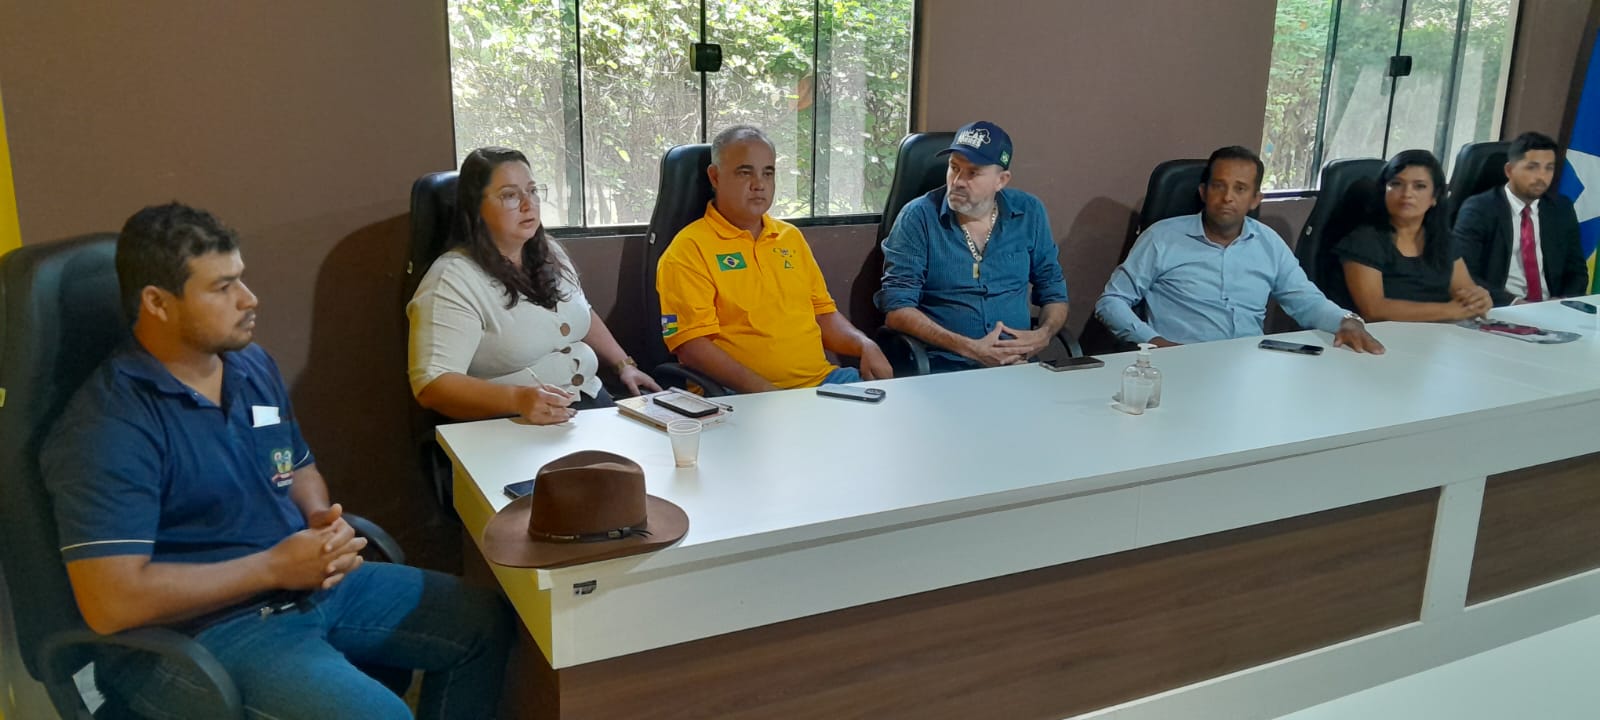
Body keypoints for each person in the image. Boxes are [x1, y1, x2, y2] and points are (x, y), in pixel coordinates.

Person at [42, 204, 512, 720]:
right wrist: (272, 567)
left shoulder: (249, 365)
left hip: (303, 584)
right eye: (223, 287)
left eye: (240, 278)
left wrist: (319, 520)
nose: (249, 298)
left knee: (483, 619)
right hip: (205, 633)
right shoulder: (109, 426)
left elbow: (297, 467)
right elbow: (111, 603)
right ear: (157, 302)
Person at [409, 146, 661, 425]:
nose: (528, 205)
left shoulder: (548, 251)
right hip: (511, 423)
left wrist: (624, 364)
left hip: (590, 405)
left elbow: (580, 312)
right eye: (510, 195)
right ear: (475, 206)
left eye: (532, 191)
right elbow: (432, 384)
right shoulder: (453, 279)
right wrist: (518, 399)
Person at [656, 125, 893, 392]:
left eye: (767, 173)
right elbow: (692, 347)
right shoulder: (688, 249)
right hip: (738, 395)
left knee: (897, 410)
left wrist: (864, 345)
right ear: (715, 176)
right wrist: (768, 395)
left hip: (821, 383)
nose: (759, 184)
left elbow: (823, 314)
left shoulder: (790, 238)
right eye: (745, 172)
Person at [1095, 146, 1384, 353]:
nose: (1228, 198)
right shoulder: (1162, 238)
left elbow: (1307, 301)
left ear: (1255, 199)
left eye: (1240, 189)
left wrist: (1347, 321)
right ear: (1203, 192)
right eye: (1219, 186)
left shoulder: (1268, 243)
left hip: (1250, 365)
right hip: (1182, 362)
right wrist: (1154, 342)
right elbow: (1112, 302)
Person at [874, 120, 1070, 372]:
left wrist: (1044, 334)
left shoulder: (1029, 211)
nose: (957, 181)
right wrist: (971, 348)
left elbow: (1054, 290)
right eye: (954, 167)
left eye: (973, 173)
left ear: (1001, 180)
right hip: (944, 369)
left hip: (1017, 368)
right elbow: (897, 310)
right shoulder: (917, 217)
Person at [1336, 149, 1493, 322]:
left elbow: (1464, 293)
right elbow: (1373, 310)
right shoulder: (1364, 240)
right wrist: (1451, 310)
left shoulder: (1443, 239)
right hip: (1384, 334)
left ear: (1434, 197)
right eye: (1396, 184)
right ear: (1383, 192)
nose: (1407, 194)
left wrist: (1479, 299)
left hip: (1438, 333)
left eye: (1419, 186)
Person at [1454, 131, 1589, 306]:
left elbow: (1577, 271)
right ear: (1509, 170)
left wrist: (1562, 301)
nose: (1542, 176)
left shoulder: (1561, 208)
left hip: (1551, 309)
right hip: (1500, 308)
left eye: (1549, 168)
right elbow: (1464, 275)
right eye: (1532, 167)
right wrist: (1516, 304)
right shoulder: (1479, 209)